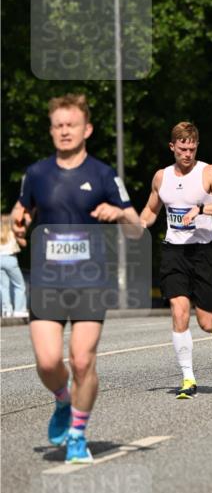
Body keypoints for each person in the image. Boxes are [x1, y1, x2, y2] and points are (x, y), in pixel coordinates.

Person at [11, 93, 142, 463]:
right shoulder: (36, 174)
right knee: (49, 362)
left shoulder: (103, 175)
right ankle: (63, 401)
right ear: (51, 131)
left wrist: (118, 214)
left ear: (87, 129)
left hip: (90, 280)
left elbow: (137, 229)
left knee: (82, 361)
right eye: (58, 126)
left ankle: (78, 435)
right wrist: (18, 226)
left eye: (71, 125)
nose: (64, 131)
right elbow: (20, 215)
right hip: (48, 280)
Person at [140, 122, 212, 399]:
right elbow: (150, 209)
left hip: (203, 252)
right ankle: (188, 377)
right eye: (182, 149)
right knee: (179, 311)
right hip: (174, 252)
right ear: (172, 147)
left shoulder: (208, 172)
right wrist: (139, 225)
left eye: (192, 149)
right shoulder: (161, 177)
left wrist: (203, 209)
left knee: (205, 323)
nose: (187, 154)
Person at [0, 214, 29, 318]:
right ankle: (19, 310)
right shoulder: (12, 233)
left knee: (3, 286)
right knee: (19, 285)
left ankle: (6, 311)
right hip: (10, 259)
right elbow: (24, 244)